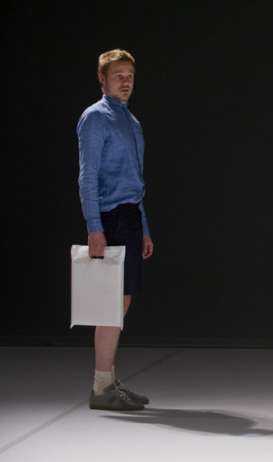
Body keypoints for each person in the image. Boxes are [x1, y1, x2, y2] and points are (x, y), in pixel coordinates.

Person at [76, 49, 154, 411]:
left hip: (130, 217)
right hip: (110, 218)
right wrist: (94, 227)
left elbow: (135, 181)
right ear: (102, 79)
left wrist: (144, 226)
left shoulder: (131, 122)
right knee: (110, 304)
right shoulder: (95, 118)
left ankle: (107, 380)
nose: (126, 81)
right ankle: (101, 386)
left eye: (130, 76)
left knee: (121, 302)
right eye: (118, 75)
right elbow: (87, 176)